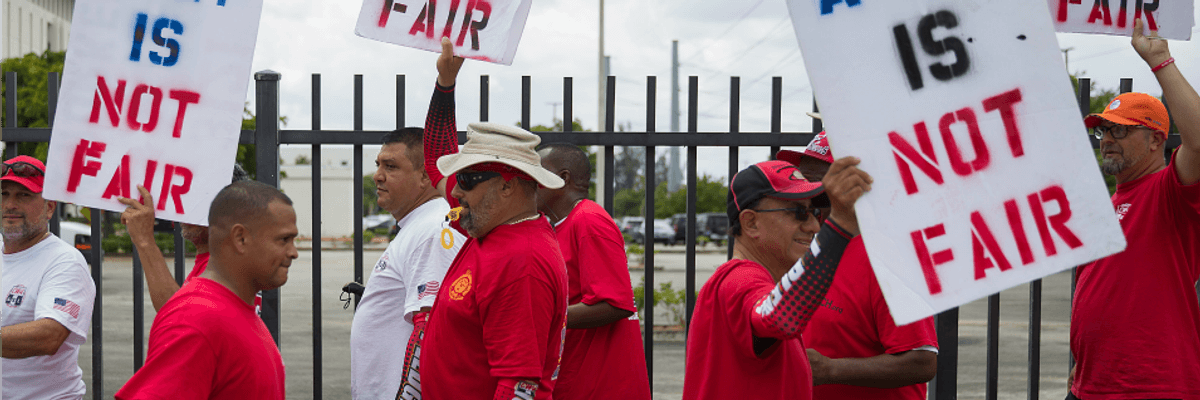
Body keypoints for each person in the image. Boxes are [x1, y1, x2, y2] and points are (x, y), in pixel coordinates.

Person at [417, 37, 569, 400]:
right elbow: (436, 159)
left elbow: (518, 387)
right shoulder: (491, 227)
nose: (455, 192)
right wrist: (445, 84)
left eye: (467, 180)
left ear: (507, 187)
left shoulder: (522, 263)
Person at [1069, 19, 1200, 400]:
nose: (1107, 140)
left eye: (1120, 130)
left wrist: (1160, 61)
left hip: (1151, 387)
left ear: (1156, 139)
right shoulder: (1110, 205)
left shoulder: (1169, 192)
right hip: (1091, 386)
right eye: (1103, 130)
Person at [682, 157, 871, 400]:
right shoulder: (740, 279)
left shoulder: (754, 280)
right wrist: (841, 225)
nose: (814, 225)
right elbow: (778, 319)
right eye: (799, 213)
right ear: (751, 223)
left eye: (814, 212)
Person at [778, 133, 938, 399]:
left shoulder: (889, 258)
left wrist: (829, 370)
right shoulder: (805, 246)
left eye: (817, 184)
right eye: (801, 181)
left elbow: (921, 361)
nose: (804, 193)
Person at [115, 181, 297, 399]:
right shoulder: (195, 317)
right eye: (284, 240)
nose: (294, 252)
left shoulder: (224, 307)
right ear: (240, 238)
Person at [349, 128, 465, 399]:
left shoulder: (432, 232)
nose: (378, 175)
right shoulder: (419, 226)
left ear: (425, 176)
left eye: (391, 167)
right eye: (378, 164)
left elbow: (433, 333)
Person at [536, 142, 651, 399]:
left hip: (603, 386)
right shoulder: (558, 225)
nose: (529, 181)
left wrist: (542, 316)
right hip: (577, 379)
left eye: (537, 172)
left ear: (562, 178)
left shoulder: (589, 220)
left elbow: (614, 304)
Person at [0, 155, 97, 400]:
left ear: (49, 207)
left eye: (24, 195)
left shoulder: (64, 261)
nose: (10, 204)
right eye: (4, 194)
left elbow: (48, 336)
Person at [118, 165, 253, 312]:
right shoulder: (218, 259)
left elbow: (180, 316)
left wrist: (144, 240)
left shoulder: (225, 265)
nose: (184, 210)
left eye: (198, 201)